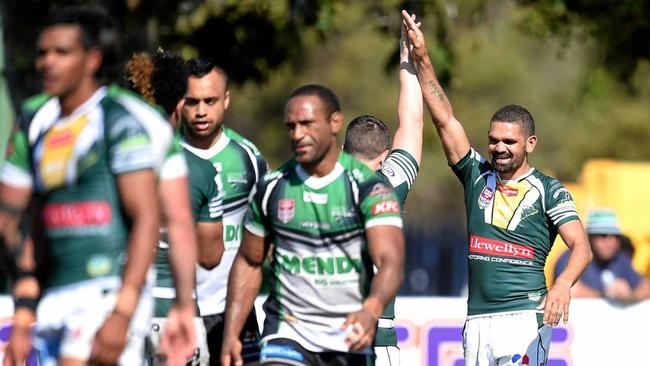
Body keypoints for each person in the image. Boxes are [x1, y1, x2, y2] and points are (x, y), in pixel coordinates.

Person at [401, 10, 593, 366]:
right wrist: (423, 58)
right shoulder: (476, 174)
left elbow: (581, 246)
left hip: (524, 318)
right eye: (493, 140)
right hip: (476, 320)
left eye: (509, 141)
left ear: (530, 143)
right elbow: (444, 118)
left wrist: (563, 284)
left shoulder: (549, 190)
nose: (499, 147)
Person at [0, 5, 170, 365]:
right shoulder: (36, 124)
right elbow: (18, 226)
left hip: (103, 292)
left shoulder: (121, 120)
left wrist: (123, 310)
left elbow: (148, 219)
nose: (47, 62)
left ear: (91, 60)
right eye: (42, 53)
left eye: (61, 52)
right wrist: (25, 313)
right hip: (50, 297)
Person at [221, 84, 406, 366]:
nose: (297, 134)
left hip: (348, 334)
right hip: (288, 331)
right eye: (291, 126)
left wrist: (371, 309)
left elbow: (391, 262)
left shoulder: (369, 188)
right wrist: (231, 333)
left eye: (307, 124)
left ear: (334, 123)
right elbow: (248, 261)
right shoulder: (272, 188)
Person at [127, 50, 227, 365]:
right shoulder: (199, 170)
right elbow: (211, 257)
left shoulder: (103, 160)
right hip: (176, 315)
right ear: (180, 104)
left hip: (118, 311)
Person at [342, 17, 422, 365]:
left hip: (322, 332)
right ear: (385, 156)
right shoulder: (390, 184)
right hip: (379, 330)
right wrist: (408, 57)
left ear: (344, 150)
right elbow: (413, 121)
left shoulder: (316, 183)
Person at [179, 58, 268, 365]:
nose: (201, 111)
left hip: (233, 313)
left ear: (226, 100)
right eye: (192, 102)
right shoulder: (165, 155)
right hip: (178, 313)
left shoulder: (249, 159)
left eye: (210, 101)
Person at [554, 209, 650, 302]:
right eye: (603, 235)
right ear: (588, 237)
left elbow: (646, 287)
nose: (610, 242)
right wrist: (605, 295)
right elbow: (567, 290)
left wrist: (629, 295)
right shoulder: (571, 257)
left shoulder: (620, 259)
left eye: (615, 236)